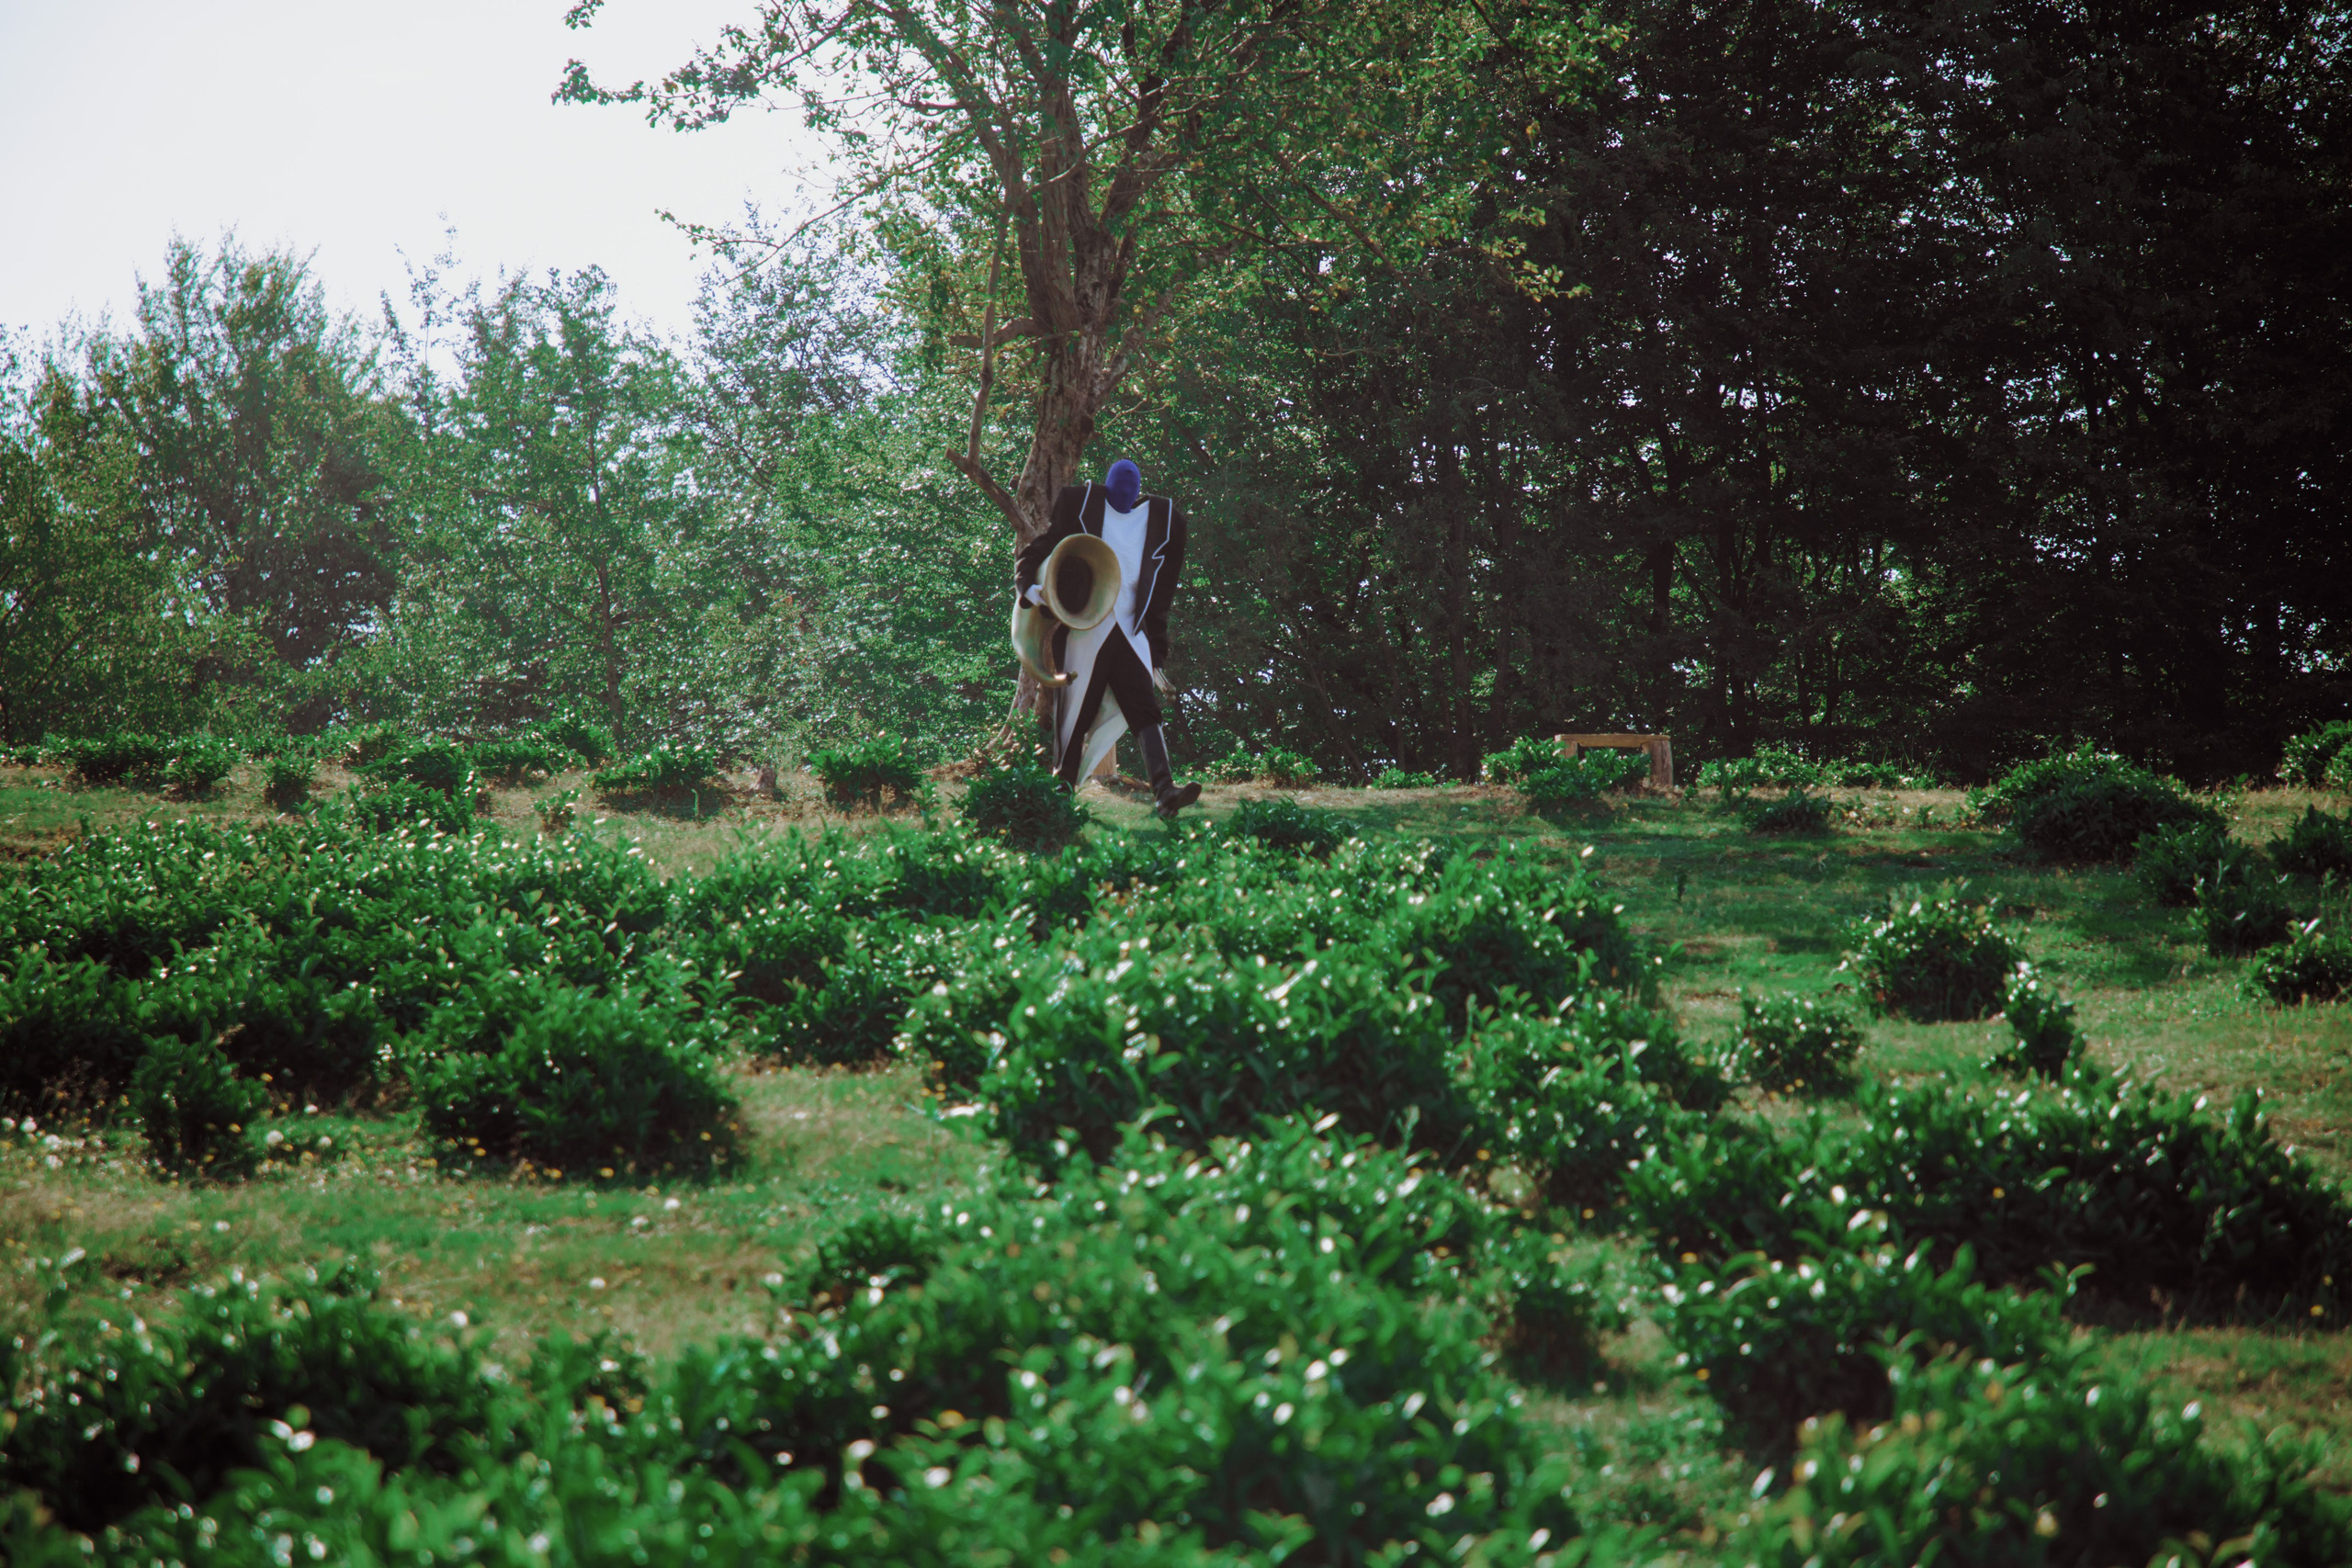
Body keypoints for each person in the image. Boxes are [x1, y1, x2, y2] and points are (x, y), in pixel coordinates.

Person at [1016, 458, 1203, 818]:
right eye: (1119, 487)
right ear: (1106, 486)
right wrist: (1029, 588)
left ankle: (1165, 792)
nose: (1125, 493)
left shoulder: (1162, 522)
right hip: (1087, 627)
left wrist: (1156, 652)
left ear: (1138, 491)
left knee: (1144, 709)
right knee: (1076, 715)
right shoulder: (1080, 505)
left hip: (1131, 632)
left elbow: (1161, 596)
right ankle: (1061, 796)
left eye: (1131, 489)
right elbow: (1041, 549)